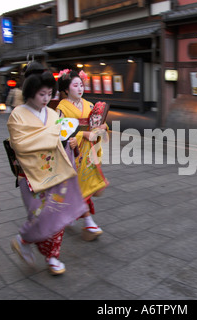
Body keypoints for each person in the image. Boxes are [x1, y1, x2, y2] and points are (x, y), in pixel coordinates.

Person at [7, 63, 89, 275]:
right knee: (40, 215)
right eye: (41, 94)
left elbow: (62, 139)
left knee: (57, 213)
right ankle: (24, 239)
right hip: (31, 176)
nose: (45, 99)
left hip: (56, 172)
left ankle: (52, 257)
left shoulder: (52, 115)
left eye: (48, 94)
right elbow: (20, 144)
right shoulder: (17, 114)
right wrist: (55, 135)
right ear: (31, 92)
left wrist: (69, 142)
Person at [56, 69, 109, 241]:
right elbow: (59, 133)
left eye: (81, 85)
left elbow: (101, 123)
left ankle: (71, 214)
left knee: (82, 185)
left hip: (88, 151)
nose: (80, 88)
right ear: (66, 89)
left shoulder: (88, 105)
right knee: (79, 186)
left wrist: (103, 127)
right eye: (75, 85)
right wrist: (83, 134)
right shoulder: (61, 108)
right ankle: (88, 222)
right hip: (72, 151)